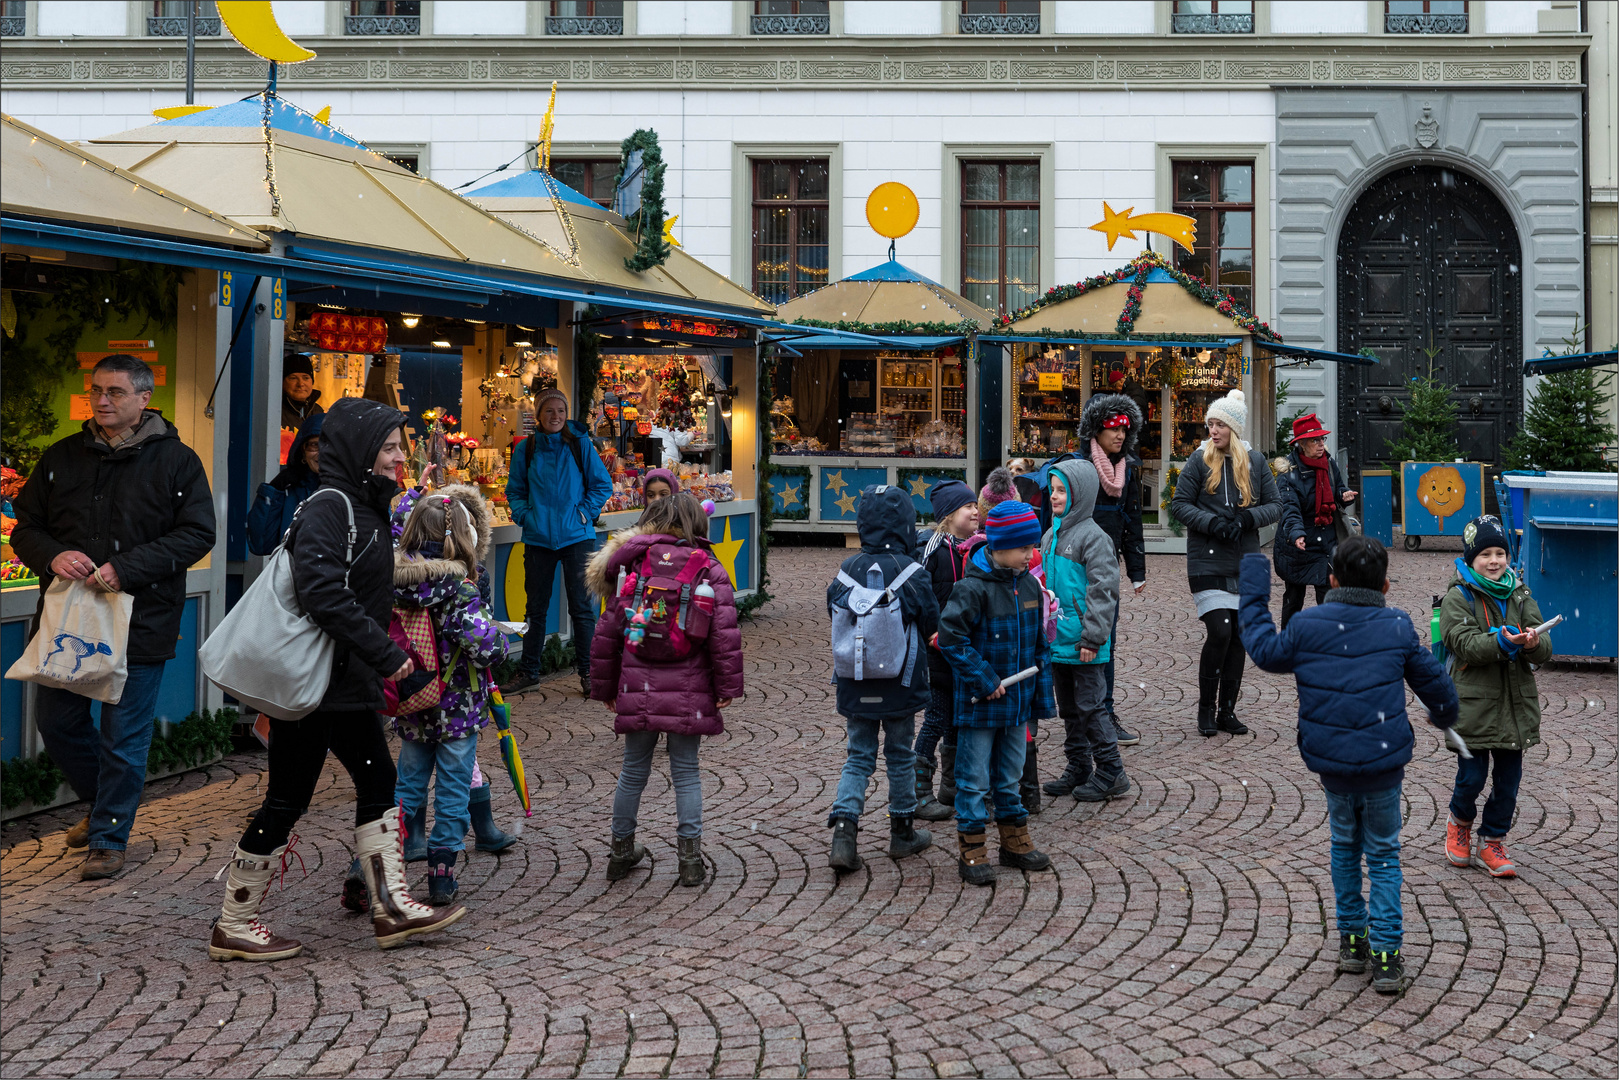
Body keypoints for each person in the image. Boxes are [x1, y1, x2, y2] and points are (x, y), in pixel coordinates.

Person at [207, 397, 464, 963]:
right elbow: (323, 593)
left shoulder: (366, 506)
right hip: (319, 685)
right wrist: (387, 655)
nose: (400, 458)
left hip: (344, 685)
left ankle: (390, 906)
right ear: (358, 450)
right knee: (288, 799)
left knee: (375, 783)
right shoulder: (330, 506)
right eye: (390, 448)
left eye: (401, 447)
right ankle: (235, 922)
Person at [11, 353, 215, 881]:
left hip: (142, 619)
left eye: (115, 392)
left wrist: (125, 567)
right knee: (56, 721)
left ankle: (107, 836)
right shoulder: (61, 458)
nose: (102, 401)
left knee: (123, 734)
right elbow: (25, 526)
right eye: (97, 391)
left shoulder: (177, 462)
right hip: (68, 622)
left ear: (144, 398)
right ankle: (105, 802)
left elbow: (198, 533)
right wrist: (51, 554)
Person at [1239, 536, 1458, 994]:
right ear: (1386, 584)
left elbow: (1263, 650)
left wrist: (1255, 584)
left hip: (1332, 761)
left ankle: (1353, 942)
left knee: (1344, 846)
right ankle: (1386, 954)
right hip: (1383, 759)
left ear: (1331, 579)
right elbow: (1434, 682)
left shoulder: (1308, 624)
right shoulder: (1396, 625)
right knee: (1382, 854)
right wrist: (1444, 715)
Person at [588, 493, 743, 887]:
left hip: (637, 681)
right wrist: (726, 686)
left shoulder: (633, 565)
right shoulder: (708, 567)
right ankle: (690, 860)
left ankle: (621, 852)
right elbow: (723, 636)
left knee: (633, 771)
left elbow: (607, 631)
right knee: (687, 773)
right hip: (689, 686)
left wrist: (605, 686)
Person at [388, 486, 509, 907]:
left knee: (406, 788)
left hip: (413, 705)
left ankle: (378, 865)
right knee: (453, 791)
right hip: (456, 711)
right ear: (463, 537)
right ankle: (441, 871)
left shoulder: (398, 586)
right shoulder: (459, 590)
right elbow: (487, 647)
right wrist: (499, 635)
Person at [937, 501, 1056, 886]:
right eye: (1024, 548)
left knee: (1009, 777)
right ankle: (971, 849)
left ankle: (1014, 840)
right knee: (972, 781)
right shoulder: (971, 589)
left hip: (1016, 704)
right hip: (980, 704)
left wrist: (1040, 695)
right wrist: (985, 680)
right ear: (1000, 546)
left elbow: (1039, 643)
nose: (1030, 555)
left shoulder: (1028, 584)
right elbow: (952, 640)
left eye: (1031, 547)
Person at [825, 485, 939, 872]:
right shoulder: (912, 572)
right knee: (900, 756)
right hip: (899, 683)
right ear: (905, 524)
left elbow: (833, 609)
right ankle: (902, 832)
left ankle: (844, 834)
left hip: (855, 679)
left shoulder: (847, 569)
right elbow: (930, 623)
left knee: (858, 757)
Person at [1440, 515, 1553, 879]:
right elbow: (1463, 643)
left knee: (1508, 782)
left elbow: (1544, 648)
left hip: (1514, 704)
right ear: (1471, 559)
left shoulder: (1520, 593)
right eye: (1485, 554)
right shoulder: (1459, 596)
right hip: (1473, 705)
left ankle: (1493, 840)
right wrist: (1501, 641)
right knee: (1471, 778)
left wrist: (1534, 642)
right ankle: (1459, 822)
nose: (1494, 561)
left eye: (1500, 553)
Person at [1171, 389, 1281, 737]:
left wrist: (1246, 520)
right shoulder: (1198, 460)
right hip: (1207, 560)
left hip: (1246, 560)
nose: (1213, 430)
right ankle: (1205, 709)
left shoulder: (1256, 461)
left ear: (1234, 428)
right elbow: (1179, 505)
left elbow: (1276, 505)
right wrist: (1212, 523)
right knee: (1220, 630)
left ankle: (1227, 711)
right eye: (1210, 424)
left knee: (1240, 638)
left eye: (1219, 424)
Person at [502, 388, 614, 697]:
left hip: (576, 536)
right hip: (538, 537)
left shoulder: (579, 444)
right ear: (538, 415)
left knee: (581, 608)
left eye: (561, 411)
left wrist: (584, 514)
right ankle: (529, 672)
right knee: (535, 609)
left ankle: (590, 673)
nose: (556, 416)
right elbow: (515, 490)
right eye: (549, 411)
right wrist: (526, 515)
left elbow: (602, 484)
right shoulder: (527, 449)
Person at [1040, 460, 1131, 802]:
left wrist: (1093, 637)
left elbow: (1104, 591)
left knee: (1091, 706)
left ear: (1081, 494)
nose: (1055, 496)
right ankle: (1078, 766)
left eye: (1063, 490)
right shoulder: (1050, 534)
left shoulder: (1094, 538)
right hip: (1059, 641)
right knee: (1069, 708)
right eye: (1053, 490)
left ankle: (1111, 771)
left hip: (1085, 643)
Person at [1074, 392, 1148, 748]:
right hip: (1073, 567)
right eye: (1112, 427)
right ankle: (1077, 715)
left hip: (1107, 568)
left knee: (1104, 641)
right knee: (1072, 640)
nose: (1120, 434)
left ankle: (1103, 711)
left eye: (1125, 428)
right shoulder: (1077, 466)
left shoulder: (1127, 468)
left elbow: (1132, 520)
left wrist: (1137, 570)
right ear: (1095, 429)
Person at [912, 479, 979, 822]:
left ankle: (949, 787)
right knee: (937, 717)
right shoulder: (935, 550)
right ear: (950, 514)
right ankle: (918, 789)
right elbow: (923, 598)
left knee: (955, 715)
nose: (975, 511)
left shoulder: (969, 548)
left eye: (976, 505)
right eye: (968, 506)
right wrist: (932, 632)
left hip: (959, 647)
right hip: (937, 650)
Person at [1273, 414, 1357, 629]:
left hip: (1324, 540)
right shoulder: (1288, 471)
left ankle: (1329, 642)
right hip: (1297, 543)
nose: (1321, 445)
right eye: (1315, 440)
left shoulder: (1327, 462)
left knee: (1327, 592)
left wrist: (1343, 495)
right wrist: (1296, 533)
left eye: (1322, 440)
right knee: (1294, 596)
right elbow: (1289, 508)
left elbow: (1337, 487)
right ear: (1301, 444)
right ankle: (1288, 642)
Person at [246, 413, 323, 556]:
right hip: (295, 576)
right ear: (303, 451)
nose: (322, 452)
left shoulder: (354, 489)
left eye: (328, 445)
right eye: (314, 445)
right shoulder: (290, 489)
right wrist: (273, 490)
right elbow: (260, 545)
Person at [279, 353, 323, 433]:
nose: (300, 384)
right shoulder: (276, 412)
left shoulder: (318, 411)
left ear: (312, 382)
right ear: (282, 383)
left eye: (306, 378)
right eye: (293, 378)